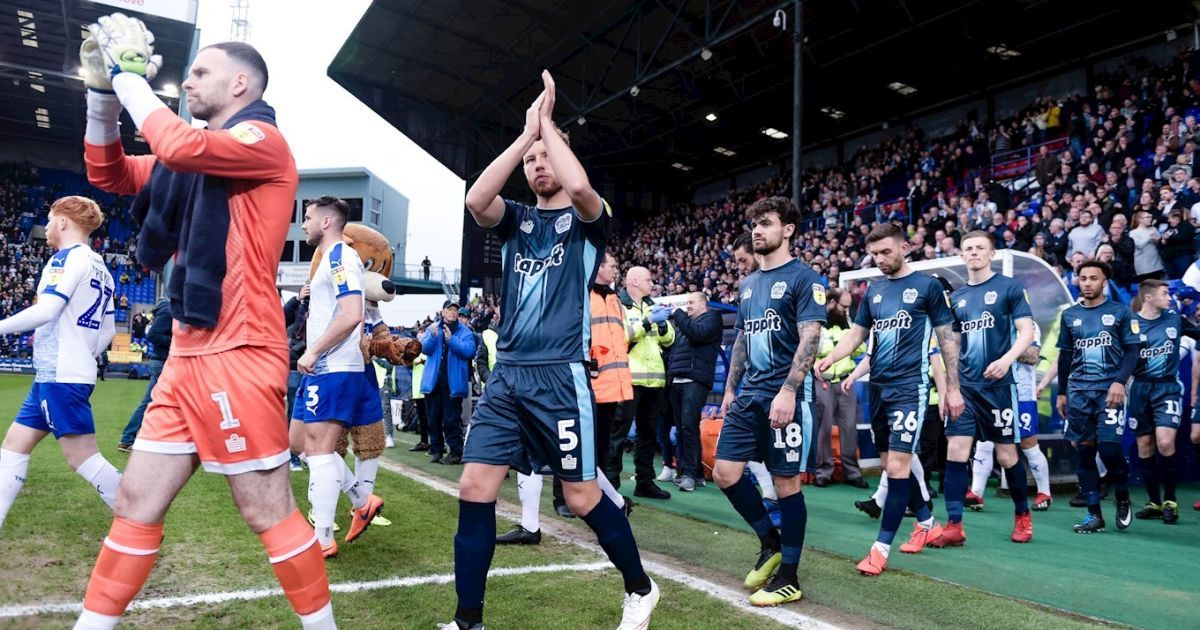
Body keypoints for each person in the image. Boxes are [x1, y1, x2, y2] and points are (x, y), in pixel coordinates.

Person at [75, 24, 334, 629]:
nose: (187, 82)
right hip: (187, 355)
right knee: (135, 502)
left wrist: (129, 77)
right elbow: (108, 173)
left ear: (240, 84)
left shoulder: (262, 140)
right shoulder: (191, 159)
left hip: (240, 349)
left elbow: (180, 146)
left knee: (266, 509)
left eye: (200, 73)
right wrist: (101, 95)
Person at [449, 70, 657, 630]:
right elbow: (476, 198)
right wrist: (527, 133)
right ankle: (468, 621)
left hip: (560, 378)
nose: (537, 165)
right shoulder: (516, 220)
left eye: (546, 156)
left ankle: (640, 588)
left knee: (583, 497)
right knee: (474, 487)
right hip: (508, 376)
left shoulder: (589, 221)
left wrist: (548, 128)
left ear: (563, 157)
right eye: (530, 161)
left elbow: (582, 189)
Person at [817, 222, 963, 576]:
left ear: (904, 248)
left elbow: (946, 340)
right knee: (890, 465)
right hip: (879, 388)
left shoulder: (928, 287)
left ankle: (879, 549)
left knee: (898, 466)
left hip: (909, 388)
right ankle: (927, 523)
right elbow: (857, 335)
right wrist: (831, 358)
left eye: (886, 252)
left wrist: (953, 388)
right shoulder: (875, 291)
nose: (880, 259)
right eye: (875, 254)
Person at [712, 197, 824, 606]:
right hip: (749, 395)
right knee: (725, 472)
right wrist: (730, 389)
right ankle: (770, 542)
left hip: (785, 394)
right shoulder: (748, 284)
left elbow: (811, 337)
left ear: (788, 230)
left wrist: (789, 391)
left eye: (766, 223)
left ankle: (789, 577)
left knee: (785, 483)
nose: (757, 230)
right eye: (754, 224)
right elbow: (743, 338)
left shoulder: (805, 278)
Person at [0, 196, 119, 530]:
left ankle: (141, 518)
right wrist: (82, 355)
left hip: (60, 374)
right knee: (14, 446)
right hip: (59, 372)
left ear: (63, 222)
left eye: (50, 219)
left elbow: (47, 310)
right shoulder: (102, 268)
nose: (48, 226)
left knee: (82, 458)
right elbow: (108, 330)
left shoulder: (65, 259)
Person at [498, 252, 632, 543]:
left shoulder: (580, 293)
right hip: (547, 377)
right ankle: (530, 525)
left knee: (574, 453)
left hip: (565, 381)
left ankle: (616, 503)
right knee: (533, 447)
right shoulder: (567, 291)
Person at [929, 231, 1036, 548]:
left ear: (991, 254)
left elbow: (1026, 331)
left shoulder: (1009, 288)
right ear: (961, 255)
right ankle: (954, 525)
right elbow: (953, 345)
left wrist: (1007, 360)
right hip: (966, 389)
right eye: (968, 248)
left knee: (1006, 455)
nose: (974, 252)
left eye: (980, 248)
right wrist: (950, 389)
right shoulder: (959, 298)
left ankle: (1022, 515)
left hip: (999, 388)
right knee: (956, 450)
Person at [291, 196, 383, 558]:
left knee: (319, 452)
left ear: (327, 222)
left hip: (333, 368)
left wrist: (314, 351)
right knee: (297, 442)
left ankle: (323, 538)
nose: (304, 224)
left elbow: (351, 314)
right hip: (322, 368)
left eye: (308, 217)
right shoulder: (330, 258)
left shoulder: (341, 258)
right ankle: (362, 500)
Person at [1056, 260, 1140, 534]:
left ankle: (1122, 494)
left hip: (1109, 392)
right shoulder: (1070, 315)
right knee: (1084, 451)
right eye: (1083, 278)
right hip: (1078, 392)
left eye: (1094, 278)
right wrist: (1061, 392)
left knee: (1109, 450)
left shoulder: (1120, 312)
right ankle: (1094, 515)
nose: (1088, 283)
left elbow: (1133, 352)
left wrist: (1119, 382)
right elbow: (1065, 356)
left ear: (1104, 282)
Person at [611, 265, 674, 500]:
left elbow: (669, 340)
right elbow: (620, 337)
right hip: (628, 379)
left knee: (648, 435)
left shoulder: (652, 305)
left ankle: (645, 483)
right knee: (618, 434)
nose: (652, 284)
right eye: (648, 279)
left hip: (654, 381)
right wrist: (647, 322)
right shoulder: (618, 306)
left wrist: (663, 324)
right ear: (635, 282)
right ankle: (610, 484)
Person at [1129, 279, 1184, 524]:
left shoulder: (1174, 319)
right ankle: (1154, 502)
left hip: (1166, 387)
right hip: (1140, 388)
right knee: (1144, 444)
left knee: (1165, 442)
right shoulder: (1131, 324)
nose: (1169, 298)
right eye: (1165, 294)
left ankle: (1170, 501)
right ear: (1149, 298)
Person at [666, 291, 723, 492]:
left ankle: (689, 474)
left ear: (703, 304)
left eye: (691, 302)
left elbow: (698, 334)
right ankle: (692, 473)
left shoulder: (712, 318)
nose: (687, 306)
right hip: (677, 380)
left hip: (695, 380)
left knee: (688, 426)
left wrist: (678, 314)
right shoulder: (686, 325)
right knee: (682, 429)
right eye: (686, 302)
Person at [814, 288, 868, 488]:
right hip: (823, 382)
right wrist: (841, 347)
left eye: (848, 307)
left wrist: (842, 345)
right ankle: (823, 472)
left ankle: (852, 473)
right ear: (831, 303)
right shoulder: (817, 324)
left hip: (846, 381)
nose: (846, 311)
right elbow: (814, 350)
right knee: (823, 429)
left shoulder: (849, 324)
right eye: (843, 306)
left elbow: (861, 348)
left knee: (850, 428)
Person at [419, 300, 476, 465]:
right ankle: (436, 450)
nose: (452, 312)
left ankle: (456, 453)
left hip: (453, 383)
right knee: (433, 419)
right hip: (434, 382)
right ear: (443, 312)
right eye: (449, 309)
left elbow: (469, 351)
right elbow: (425, 349)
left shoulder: (465, 331)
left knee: (452, 420)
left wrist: (451, 340)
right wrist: (433, 338)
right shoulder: (433, 329)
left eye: (455, 310)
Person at [118, 297, 171, 451]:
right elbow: (153, 335)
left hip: (163, 362)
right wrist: (177, 341)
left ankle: (128, 439)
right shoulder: (168, 310)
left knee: (149, 403)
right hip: (163, 363)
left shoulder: (168, 310)